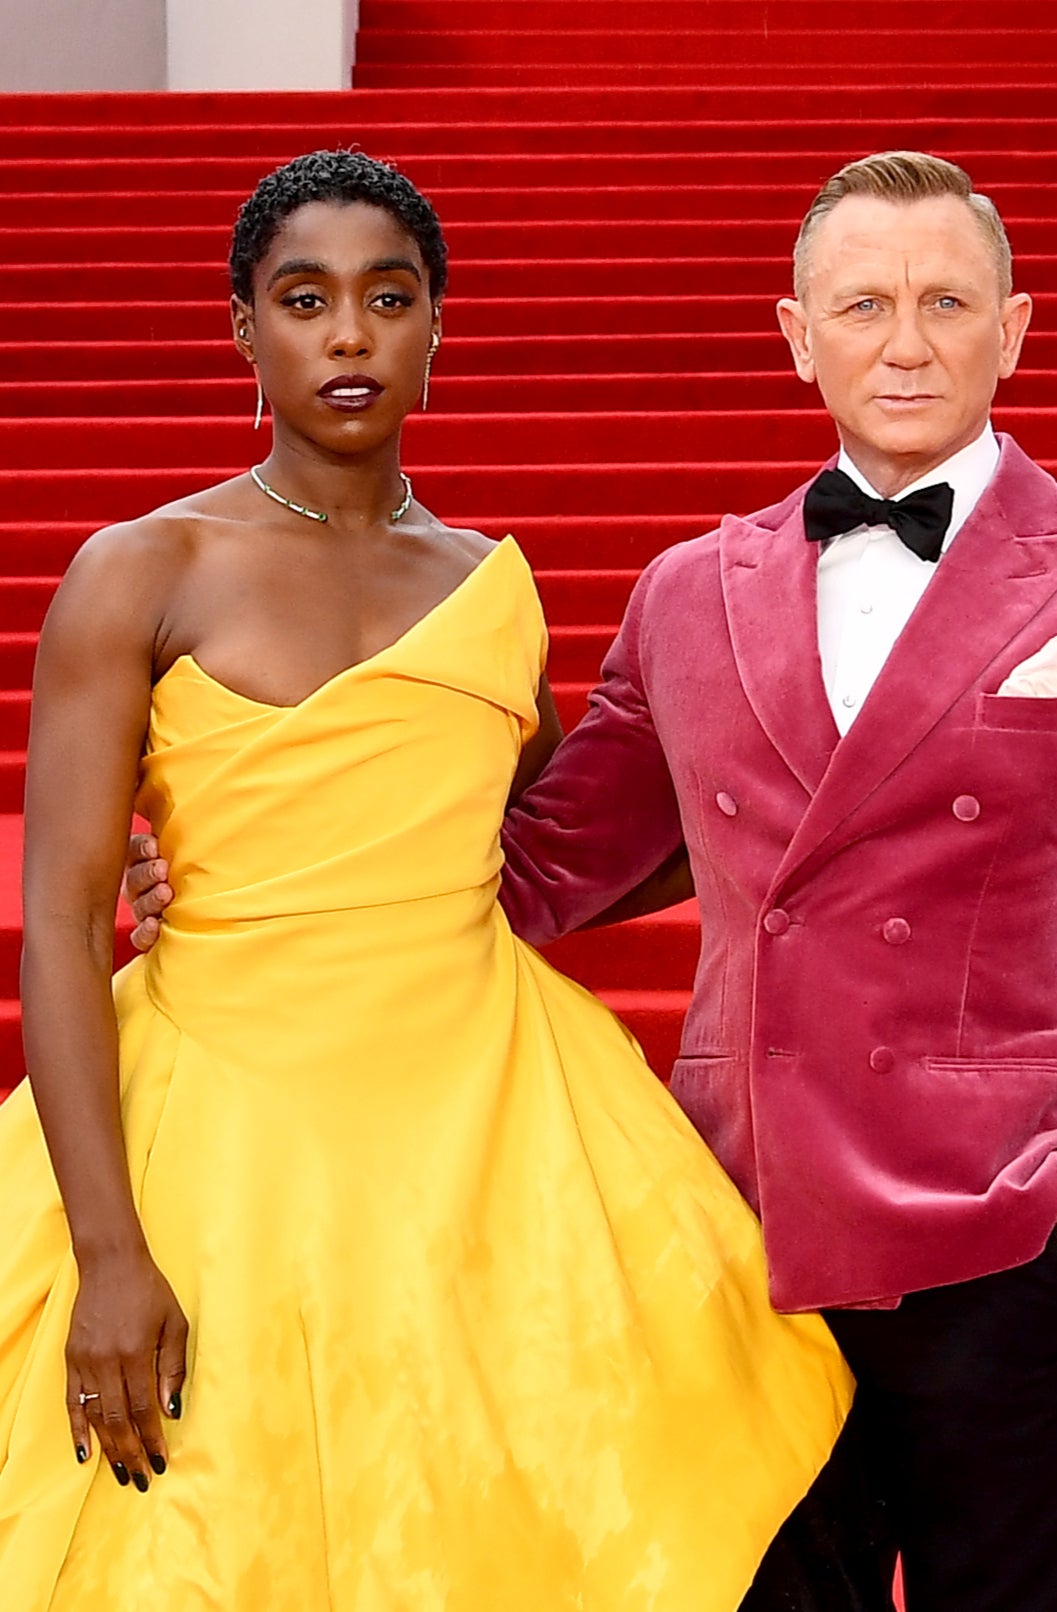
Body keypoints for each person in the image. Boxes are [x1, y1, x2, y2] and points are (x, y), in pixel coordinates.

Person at [135, 150, 1057, 1612]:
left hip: (1003, 1240)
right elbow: (535, 866)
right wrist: (238, 873)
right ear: (796, 335)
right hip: (737, 1234)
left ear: (1015, 327)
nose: (903, 343)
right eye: (861, 305)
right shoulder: (687, 590)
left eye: (943, 303)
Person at [0, 150, 851, 1610]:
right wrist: (109, 1252)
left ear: (436, 325)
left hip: (490, 1129)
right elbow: (69, 922)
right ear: (244, 328)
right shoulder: (141, 569)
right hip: (218, 1133)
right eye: (305, 300)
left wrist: (812, 830)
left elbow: (566, 849)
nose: (347, 336)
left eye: (388, 299)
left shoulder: (486, 587)